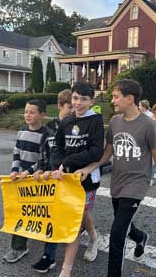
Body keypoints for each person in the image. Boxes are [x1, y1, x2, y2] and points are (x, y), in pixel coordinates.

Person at [75, 79, 156, 277]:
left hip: (136, 184)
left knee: (117, 233)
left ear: (130, 99)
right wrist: (89, 167)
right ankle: (140, 236)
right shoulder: (115, 122)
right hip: (117, 183)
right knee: (123, 221)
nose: (112, 101)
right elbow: (107, 153)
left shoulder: (148, 125)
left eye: (116, 97)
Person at [46, 82, 104, 277]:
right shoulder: (66, 122)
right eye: (76, 98)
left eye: (84, 99)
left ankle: (66, 270)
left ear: (91, 101)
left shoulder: (95, 120)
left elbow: (96, 152)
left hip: (87, 179)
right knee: (82, 214)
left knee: (76, 219)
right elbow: (58, 148)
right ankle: (95, 237)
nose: (79, 103)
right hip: (66, 178)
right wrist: (57, 167)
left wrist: (69, 161)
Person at [3, 100, 52, 263]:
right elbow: (16, 153)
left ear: (42, 115)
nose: (27, 115)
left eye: (32, 112)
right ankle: (18, 247)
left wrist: (28, 172)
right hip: (23, 181)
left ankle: (51, 247)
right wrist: (14, 170)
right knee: (22, 212)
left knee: (42, 213)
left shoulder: (47, 134)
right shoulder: (21, 131)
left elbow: (45, 159)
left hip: (39, 180)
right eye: (26, 112)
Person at [31, 89, 74, 273]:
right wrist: (40, 169)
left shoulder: (78, 127)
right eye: (70, 106)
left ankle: (92, 235)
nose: (73, 110)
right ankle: (49, 256)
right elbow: (44, 155)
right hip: (52, 182)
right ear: (60, 106)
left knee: (80, 217)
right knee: (52, 217)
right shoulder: (49, 129)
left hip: (72, 182)